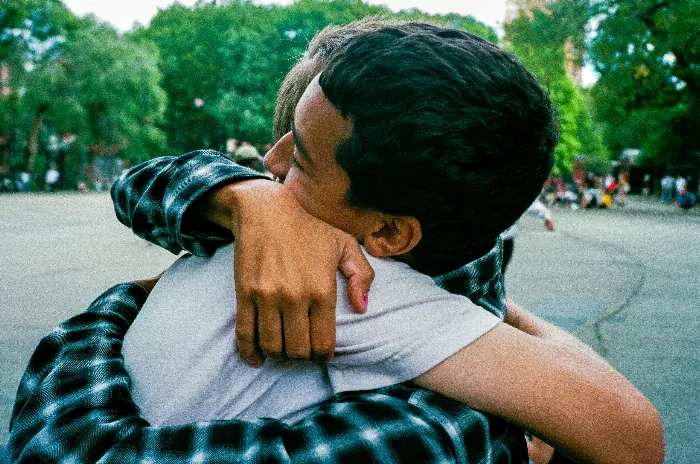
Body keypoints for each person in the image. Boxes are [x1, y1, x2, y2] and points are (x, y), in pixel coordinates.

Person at [10, 21, 663, 464]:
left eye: (301, 162)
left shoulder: (362, 288)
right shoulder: (389, 266)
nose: (267, 162)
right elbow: (630, 434)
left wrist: (114, 309)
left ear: (387, 232)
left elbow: (629, 432)